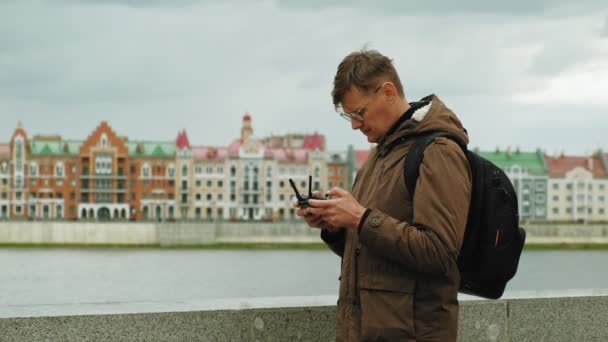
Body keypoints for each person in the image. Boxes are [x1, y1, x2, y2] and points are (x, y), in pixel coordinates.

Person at [296, 49, 472, 341]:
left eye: (359, 113)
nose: (354, 124)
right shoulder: (380, 156)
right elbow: (371, 254)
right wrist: (336, 226)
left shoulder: (438, 150)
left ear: (388, 92)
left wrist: (361, 218)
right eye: (348, 116)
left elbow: (439, 253)